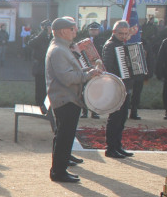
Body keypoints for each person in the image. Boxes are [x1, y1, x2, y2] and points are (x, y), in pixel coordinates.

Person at [45, 16, 102, 183]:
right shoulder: (58, 50)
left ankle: (60, 168)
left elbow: (70, 72)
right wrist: (89, 74)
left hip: (66, 98)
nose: (75, 32)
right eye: (72, 29)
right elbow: (67, 78)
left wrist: (88, 70)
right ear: (63, 31)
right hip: (65, 99)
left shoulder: (61, 47)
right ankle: (58, 172)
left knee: (64, 136)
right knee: (64, 136)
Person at [101, 20, 135, 159]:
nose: (123, 36)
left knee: (122, 118)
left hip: (124, 86)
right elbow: (107, 67)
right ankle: (111, 148)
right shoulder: (110, 45)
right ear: (114, 32)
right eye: (121, 33)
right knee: (115, 118)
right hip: (115, 86)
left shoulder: (122, 44)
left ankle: (117, 146)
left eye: (126, 34)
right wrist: (122, 71)